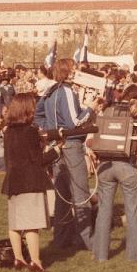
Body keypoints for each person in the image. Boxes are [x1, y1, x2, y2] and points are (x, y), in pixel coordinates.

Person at [35, 58, 98, 250]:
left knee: (62, 194)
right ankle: (87, 239)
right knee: (80, 193)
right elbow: (74, 122)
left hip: (56, 145)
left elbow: (38, 116)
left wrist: (51, 131)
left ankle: (61, 238)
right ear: (68, 72)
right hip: (71, 144)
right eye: (74, 69)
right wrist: (90, 108)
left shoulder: (49, 92)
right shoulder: (67, 91)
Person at [1, 94, 61, 272]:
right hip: (30, 182)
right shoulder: (31, 131)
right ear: (27, 109)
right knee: (32, 225)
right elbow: (38, 161)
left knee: (15, 224)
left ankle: (18, 259)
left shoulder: (8, 132)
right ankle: (36, 262)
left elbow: (10, 159)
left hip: (13, 182)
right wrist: (56, 151)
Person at [92, 100, 137, 262]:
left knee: (103, 210)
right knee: (131, 211)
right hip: (126, 166)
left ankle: (100, 254)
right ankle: (134, 254)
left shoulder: (109, 113)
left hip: (105, 165)